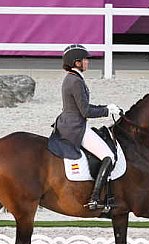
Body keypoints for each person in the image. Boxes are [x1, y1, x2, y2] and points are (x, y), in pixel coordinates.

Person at [49, 44, 121, 210]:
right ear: (76, 62)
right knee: (109, 156)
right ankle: (95, 198)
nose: (88, 62)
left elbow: (83, 105)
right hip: (75, 127)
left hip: (68, 122)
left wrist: (107, 106)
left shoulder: (73, 78)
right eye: (85, 60)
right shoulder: (75, 81)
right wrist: (106, 111)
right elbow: (86, 111)